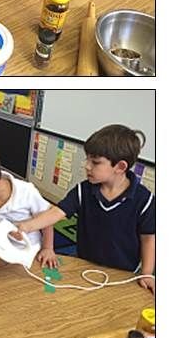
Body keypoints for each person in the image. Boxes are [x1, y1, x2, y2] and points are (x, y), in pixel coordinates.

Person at [57, 125, 155, 293]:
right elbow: (57, 213)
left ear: (120, 167)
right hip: (84, 265)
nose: (87, 166)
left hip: (123, 274)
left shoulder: (145, 200)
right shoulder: (83, 190)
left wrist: (146, 274)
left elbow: (148, 239)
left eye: (95, 162)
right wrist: (26, 226)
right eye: (87, 159)